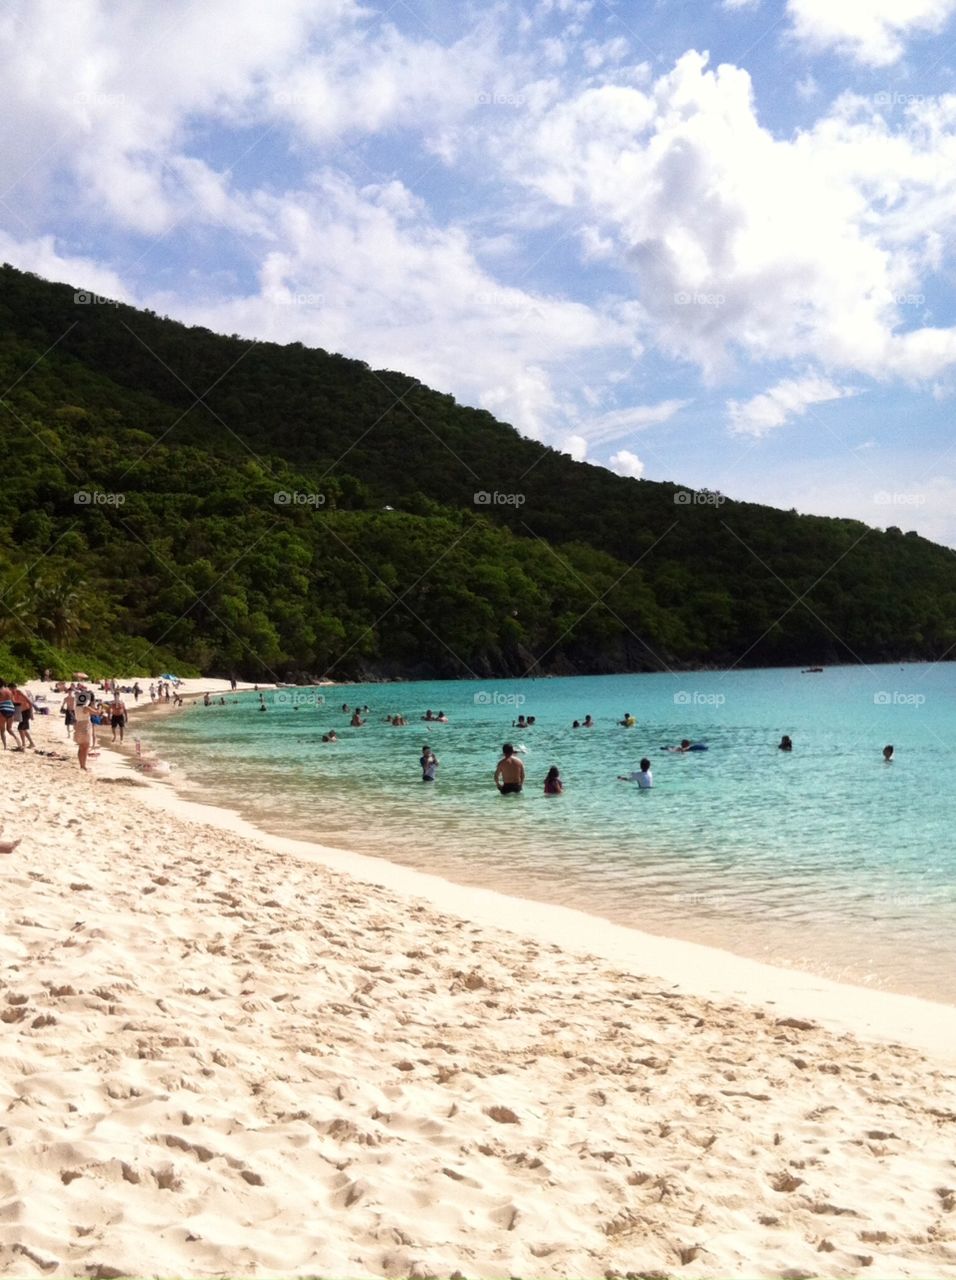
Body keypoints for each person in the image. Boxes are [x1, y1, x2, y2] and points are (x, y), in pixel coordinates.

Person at [12, 684, 35, 750]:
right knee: (23, 729)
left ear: (15, 688)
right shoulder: (11, 695)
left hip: (27, 711)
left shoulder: (20, 693)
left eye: (13, 689)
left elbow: (30, 703)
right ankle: (31, 743)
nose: (12, 691)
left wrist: (31, 714)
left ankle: (23, 744)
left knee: (20, 729)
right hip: (21, 712)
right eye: (11, 690)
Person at [0, 680, 18, 750]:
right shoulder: (9, 691)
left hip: (2, 709)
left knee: (2, 730)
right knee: (9, 729)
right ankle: (18, 741)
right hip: (11, 709)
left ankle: (5, 746)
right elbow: (13, 701)